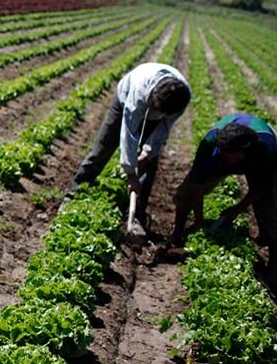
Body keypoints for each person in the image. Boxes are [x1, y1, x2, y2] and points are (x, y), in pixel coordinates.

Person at [70, 62, 191, 235]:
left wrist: (148, 152)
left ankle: (137, 215)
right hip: (123, 101)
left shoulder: (181, 99)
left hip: (158, 110)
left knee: (150, 164)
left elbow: (164, 129)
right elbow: (128, 133)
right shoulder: (139, 92)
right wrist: (130, 173)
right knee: (103, 147)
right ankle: (76, 189)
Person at [169, 113, 277, 286]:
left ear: (244, 151)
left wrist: (236, 209)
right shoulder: (211, 142)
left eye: (232, 156)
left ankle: (273, 268)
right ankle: (176, 235)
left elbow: (260, 189)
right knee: (185, 194)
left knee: (271, 211)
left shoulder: (265, 148)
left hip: (259, 163)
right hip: (217, 160)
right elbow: (197, 184)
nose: (228, 160)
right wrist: (199, 222)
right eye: (224, 154)